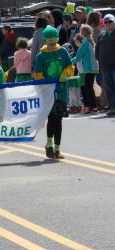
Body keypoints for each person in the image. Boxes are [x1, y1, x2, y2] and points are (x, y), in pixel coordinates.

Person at [33, 26, 75, 159]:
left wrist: (65, 73)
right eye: (48, 39)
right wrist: (44, 83)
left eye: (53, 39)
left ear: (57, 38)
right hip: (48, 92)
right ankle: (49, 144)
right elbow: (37, 74)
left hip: (61, 91)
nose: (51, 42)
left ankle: (57, 149)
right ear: (45, 40)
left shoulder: (62, 52)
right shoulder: (41, 56)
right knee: (51, 119)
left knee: (59, 120)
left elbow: (70, 66)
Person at [72, 24, 99, 114]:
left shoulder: (85, 43)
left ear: (82, 32)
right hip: (93, 68)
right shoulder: (90, 42)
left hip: (88, 68)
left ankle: (91, 106)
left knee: (87, 88)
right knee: (89, 87)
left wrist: (69, 61)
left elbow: (78, 56)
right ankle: (93, 106)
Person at [96, 14, 115, 116]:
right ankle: (113, 107)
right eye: (106, 22)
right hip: (105, 67)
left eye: (110, 22)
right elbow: (97, 50)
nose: (107, 24)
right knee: (110, 88)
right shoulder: (101, 35)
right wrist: (99, 60)